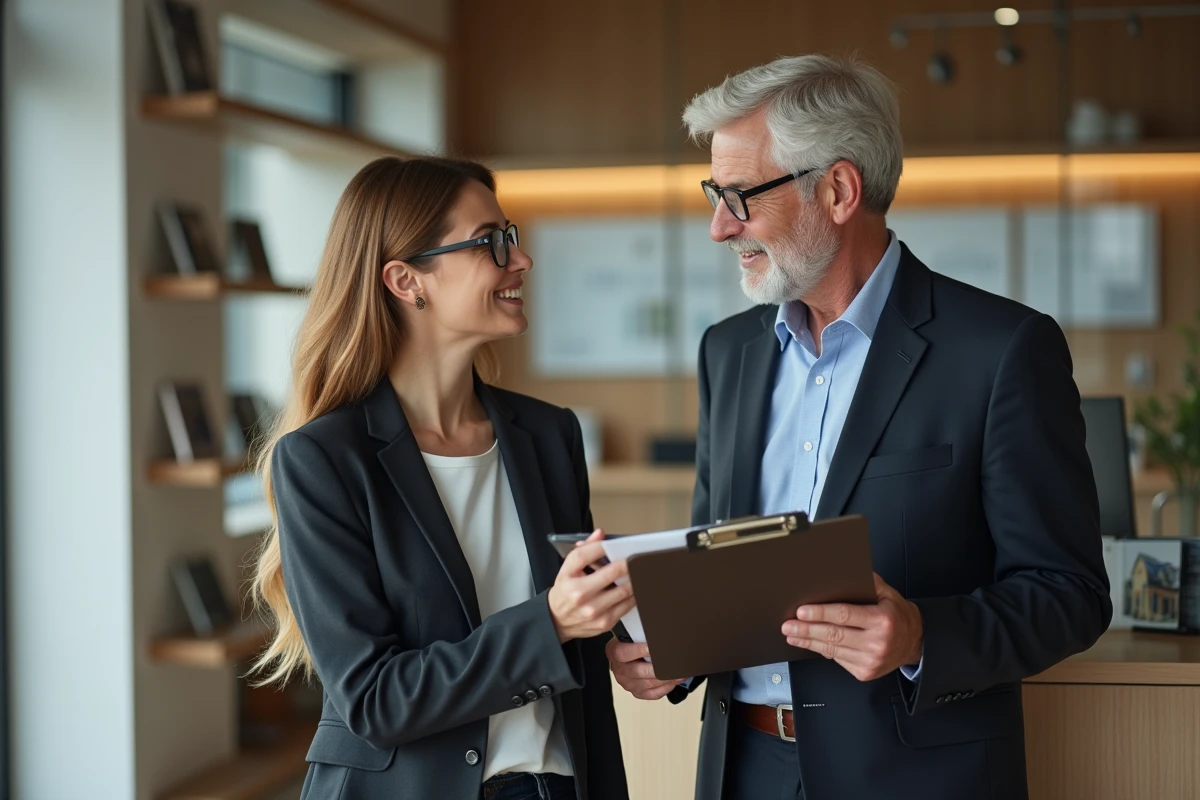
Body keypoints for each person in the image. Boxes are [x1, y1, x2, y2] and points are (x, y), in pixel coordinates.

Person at [607, 54, 1112, 800]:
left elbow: (1070, 594)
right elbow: (719, 561)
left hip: (915, 776)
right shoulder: (729, 352)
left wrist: (919, 638)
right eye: (716, 194)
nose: (719, 227)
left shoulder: (1001, 351)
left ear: (839, 190)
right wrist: (672, 644)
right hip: (744, 771)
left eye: (740, 196)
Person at [250, 156, 631, 800]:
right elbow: (376, 701)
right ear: (406, 281)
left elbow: (569, 632)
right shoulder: (321, 461)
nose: (520, 260)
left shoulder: (549, 436)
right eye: (491, 243)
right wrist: (554, 625)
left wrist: (620, 644)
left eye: (509, 237)